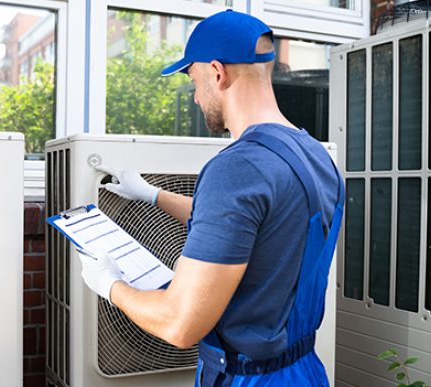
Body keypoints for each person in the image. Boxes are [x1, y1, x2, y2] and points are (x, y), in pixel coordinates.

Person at [78, 10, 344, 386]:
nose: (195, 98)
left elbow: (179, 323)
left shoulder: (237, 168)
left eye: (194, 81)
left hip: (249, 379)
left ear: (217, 73)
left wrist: (110, 285)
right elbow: (254, 227)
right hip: (304, 370)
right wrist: (152, 195)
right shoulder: (316, 156)